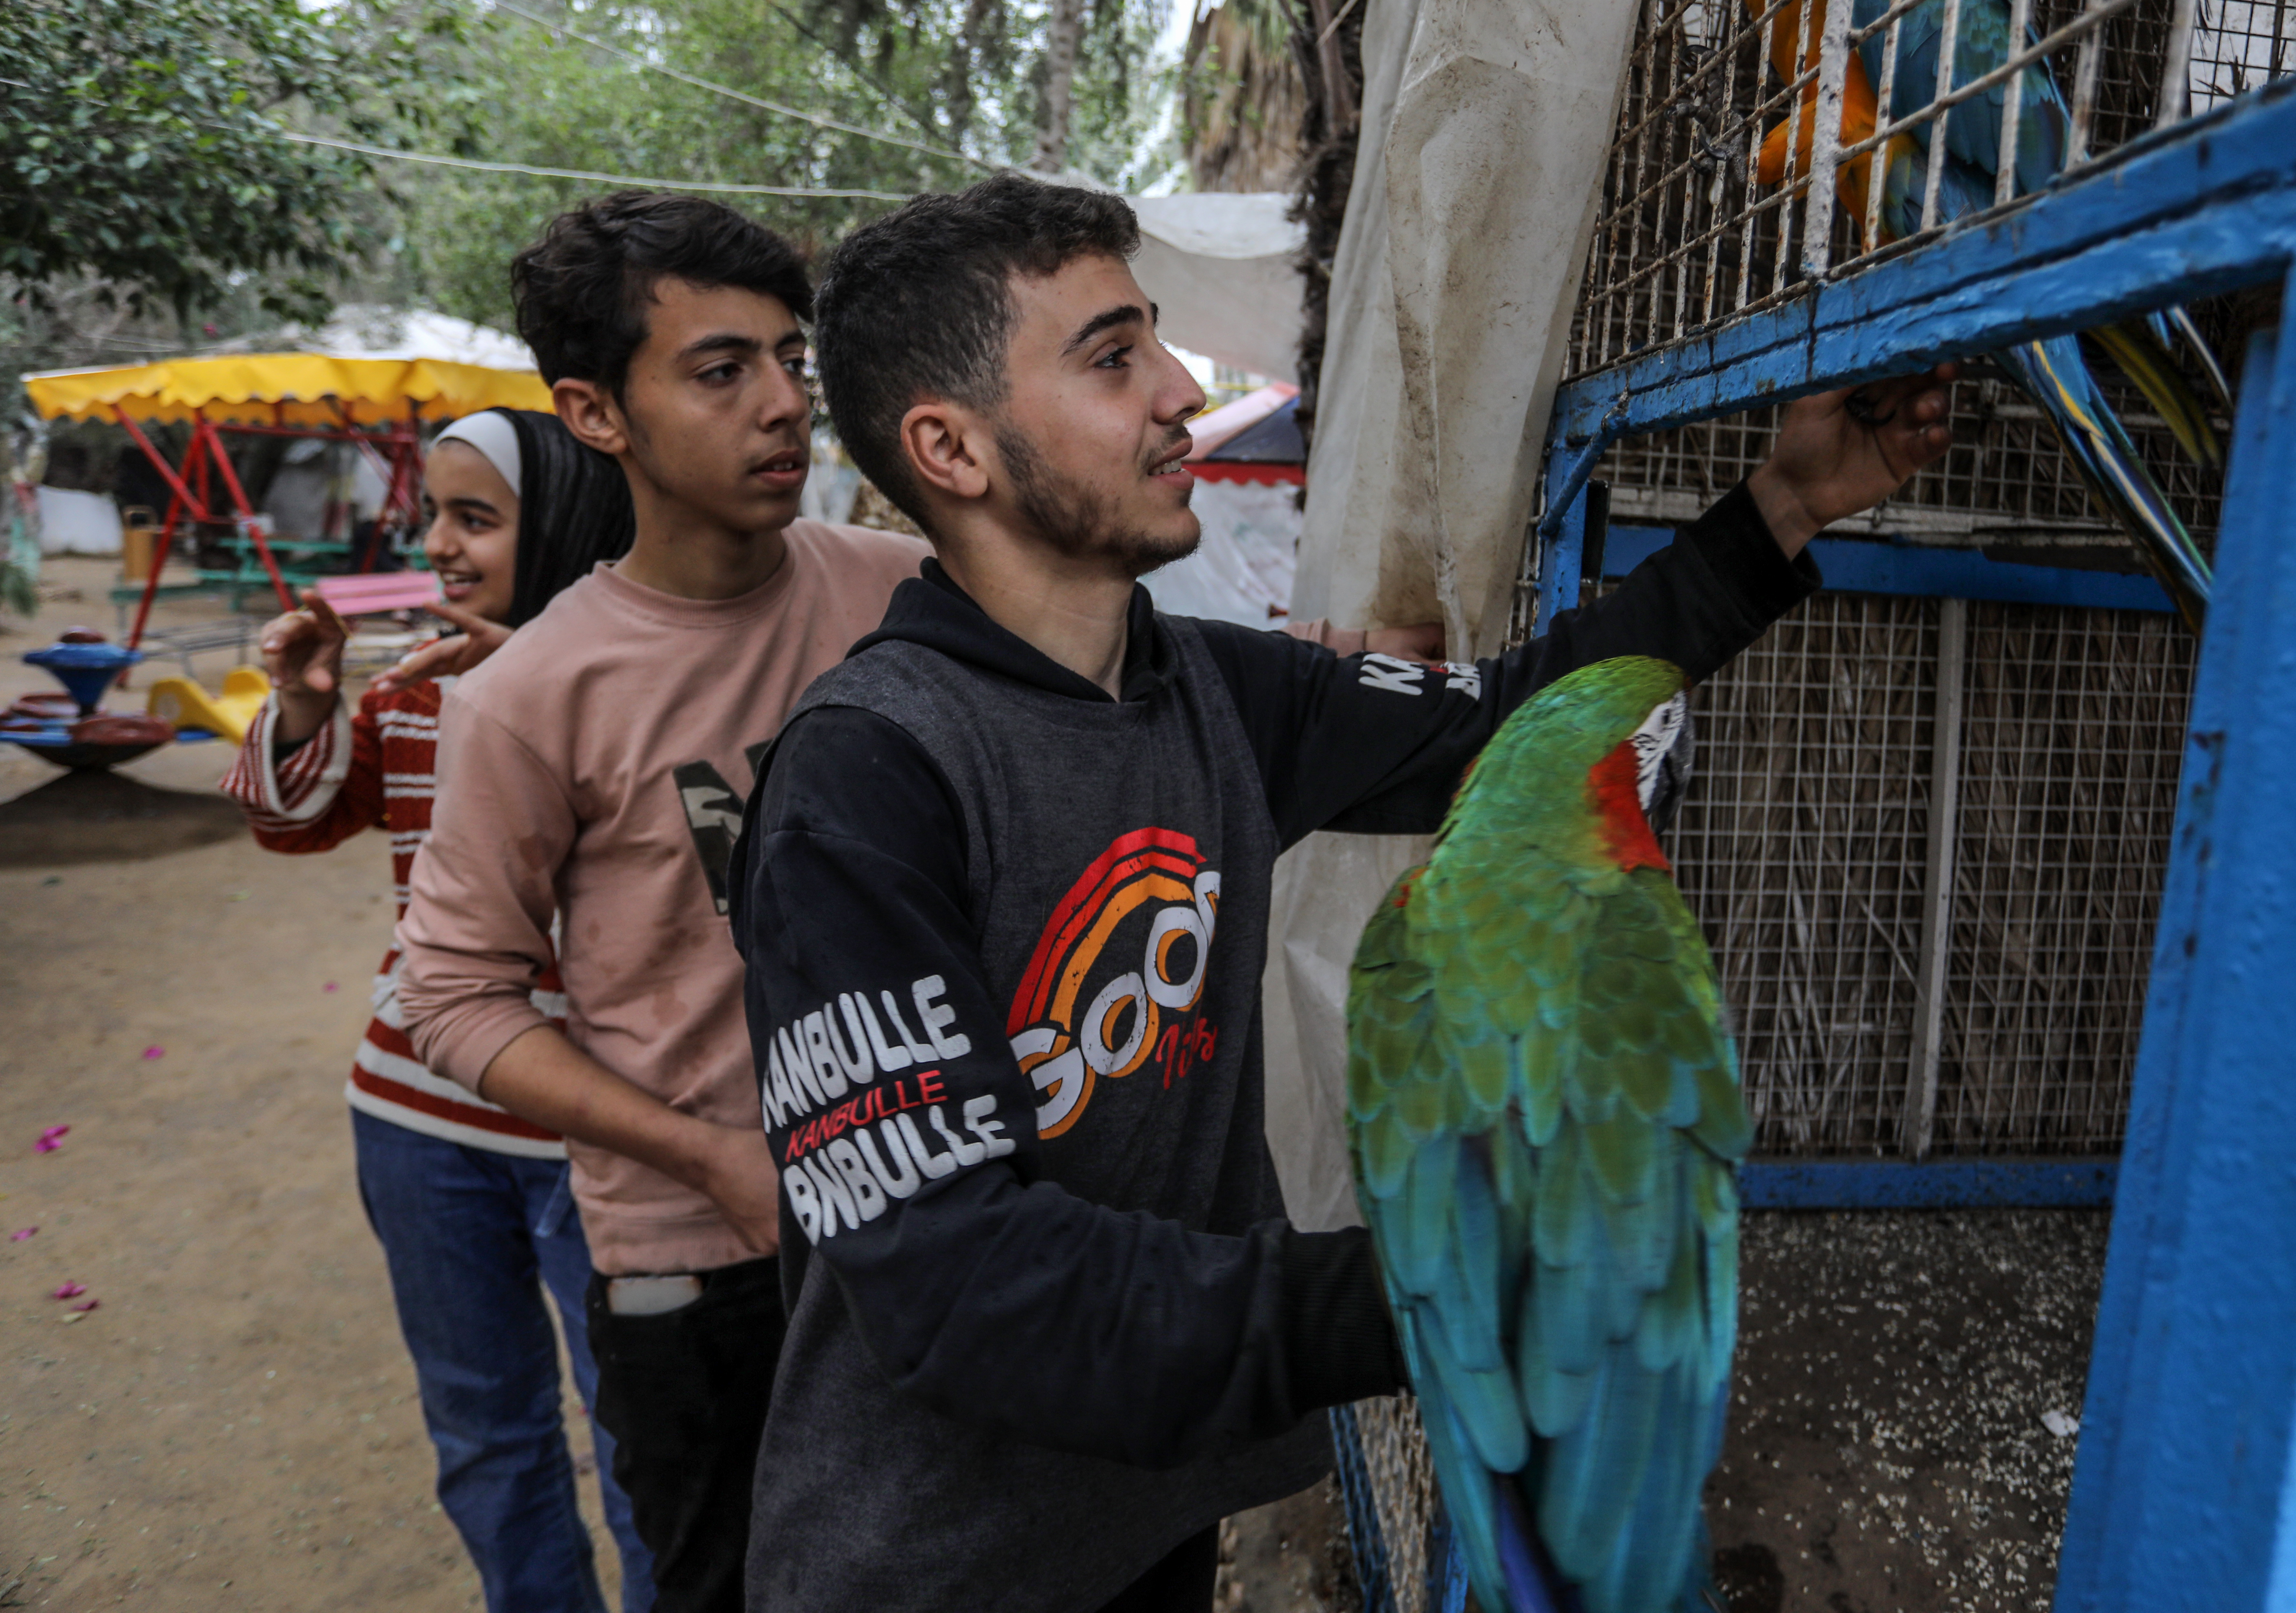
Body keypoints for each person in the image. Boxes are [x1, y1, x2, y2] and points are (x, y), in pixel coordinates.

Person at [729, 172, 1960, 1613]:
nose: (1183, 388)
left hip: (1150, 1512)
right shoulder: (861, 785)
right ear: (952, 448)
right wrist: (1450, 1286)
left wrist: (1786, 507)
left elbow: (1519, 720)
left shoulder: (1218, 693)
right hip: (927, 1563)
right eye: (1114, 356)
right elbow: (959, 1284)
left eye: (1160, 343)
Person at [391, 193, 932, 1613]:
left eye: (787, 361)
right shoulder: (530, 698)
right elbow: (452, 1001)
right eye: (719, 371)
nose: (782, 407)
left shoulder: (904, 595)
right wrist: (709, 1158)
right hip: (702, 1270)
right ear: (597, 413)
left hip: (923, 1211)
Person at [221, 405, 653, 1613]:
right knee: (484, 1433)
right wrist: (305, 710)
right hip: (417, 1129)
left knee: (645, 1440)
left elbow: (706, 881)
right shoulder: (411, 695)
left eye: (479, 518)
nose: (444, 546)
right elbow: (290, 823)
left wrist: (528, 686)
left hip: (600, 1134)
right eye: (433, 520)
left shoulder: (651, 684)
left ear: (571, 521)